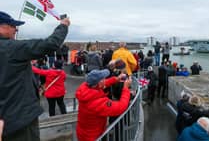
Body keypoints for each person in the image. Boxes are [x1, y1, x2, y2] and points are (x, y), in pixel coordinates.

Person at [0, 11, 70, 140]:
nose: (16, 29)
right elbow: (50, 44)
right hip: (19, 119)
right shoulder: (10, 48)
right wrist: (63, 25)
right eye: (13, 26)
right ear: (2, 27)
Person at [76, 69, 131, 141]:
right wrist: (126, 89)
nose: (105, 80)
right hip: (93, 137)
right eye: (103, 79)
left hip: (84, 132)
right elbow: (121, 107)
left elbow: (104, 84)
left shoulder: (86, 87)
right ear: (99, 83)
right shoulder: (98, 103)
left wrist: (116, 79)